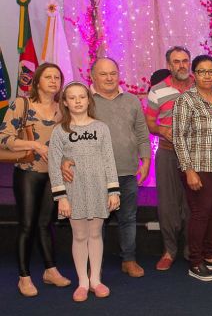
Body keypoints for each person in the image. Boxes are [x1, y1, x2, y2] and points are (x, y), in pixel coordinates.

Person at [63, 58, 151, 278]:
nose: (109, 78)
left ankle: (129, 260)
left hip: (127, 172)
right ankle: (95, 265)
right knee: (96, 221)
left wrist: (146, 161)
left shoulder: (131, 100)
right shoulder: (85, 101)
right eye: (103, 74)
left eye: (113, 73)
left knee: (128, 218)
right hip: (94, 175)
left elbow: (142, 133)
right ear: (92, 77)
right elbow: (69, 132)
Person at [0, 63, 71, 296]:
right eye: (48, 77)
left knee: (45, 224)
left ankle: (50, 270)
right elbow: (4, 138)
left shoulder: (64, 108)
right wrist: (34, 145)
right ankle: (24, 277)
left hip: (55, 175)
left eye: (57, 77)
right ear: (37, 81)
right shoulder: (22, 105)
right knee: (27, 224)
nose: (53, 81)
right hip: (28, 172)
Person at [48, 82, 120, 301]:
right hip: (74, 190)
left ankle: (95, 280)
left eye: (82, 96)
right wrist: (61, 197)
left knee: (95, 234)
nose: (78, 101)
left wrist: (113, 190)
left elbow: (109, 159)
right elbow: (54, 165)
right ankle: (82, 282)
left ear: (89, 100)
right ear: (65, 102)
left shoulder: (101, 128)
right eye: (72, 97)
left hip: (99, 189)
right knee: (79, 235)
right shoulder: (60, 131)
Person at [173, 55, 212, 281]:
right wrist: (188, 170)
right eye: (202, 71)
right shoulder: (186, 100)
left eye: (211, 71)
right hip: (198, 166)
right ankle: (195, 261)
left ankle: (210, 256)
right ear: (194, 74)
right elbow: (178, 137)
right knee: (201, 213)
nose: (207, 76)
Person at [146, 46, 193, 271]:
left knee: (194, 203)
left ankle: (192, 249)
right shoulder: (157, 90)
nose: (181, 65)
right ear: (168, 65)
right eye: (176, 61)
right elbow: (150, 122)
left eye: (185, 61)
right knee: (167, 204)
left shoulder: (200, 86)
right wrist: (161, 130)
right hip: (167, 152)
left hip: (195, 155)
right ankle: (169, 250)